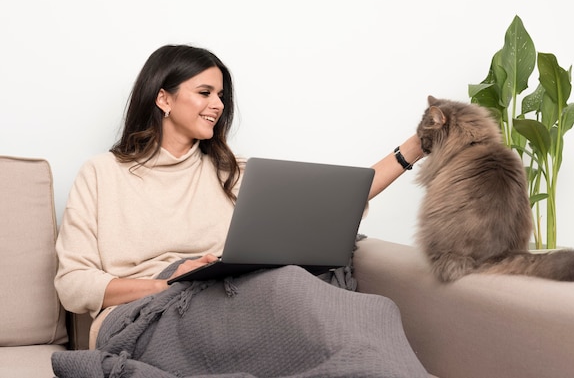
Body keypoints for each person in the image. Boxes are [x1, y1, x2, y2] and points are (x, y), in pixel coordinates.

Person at [53, 45, 427, 378]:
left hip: (224, 295)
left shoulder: (232, 170)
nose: (218, 104)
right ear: (163, 99)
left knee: (368, 308)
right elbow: (73, 284)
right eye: (204, 92)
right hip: (143, 311)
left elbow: (337, 200)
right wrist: (169, 282)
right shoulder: (102, 173)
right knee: (286, 287)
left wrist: (413, 148)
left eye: (220, 95)